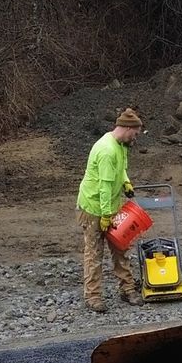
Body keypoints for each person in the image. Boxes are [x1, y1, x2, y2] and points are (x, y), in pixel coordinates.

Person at [77, 107, 144, 312]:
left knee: (121, 247)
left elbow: (120, 168)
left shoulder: (121, 144)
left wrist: (126, 183)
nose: (136, 137)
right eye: (135, 133)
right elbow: (104, 187)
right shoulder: (106, 150)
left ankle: (127, 289)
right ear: (126, 128)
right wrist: (106, 215)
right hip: (94, 206)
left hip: (110, 205)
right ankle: (93, 296)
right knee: (94, 253)